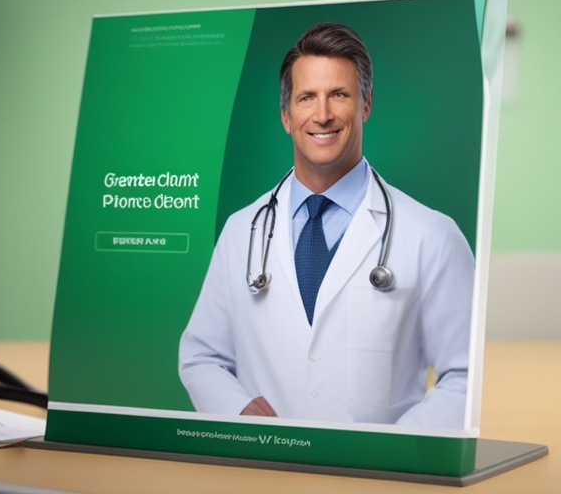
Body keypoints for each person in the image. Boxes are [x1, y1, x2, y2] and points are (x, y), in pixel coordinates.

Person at [178, 22, 474, 429]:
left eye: (339, 94)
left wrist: (396, 450)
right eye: (306, 98)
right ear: (285, 115)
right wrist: (236, 410)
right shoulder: (241, 231)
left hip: (373, 481)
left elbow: (465, 376)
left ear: (366, 105)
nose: (322, 115)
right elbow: (201, 356)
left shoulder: (433, 236)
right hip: (261, 472)